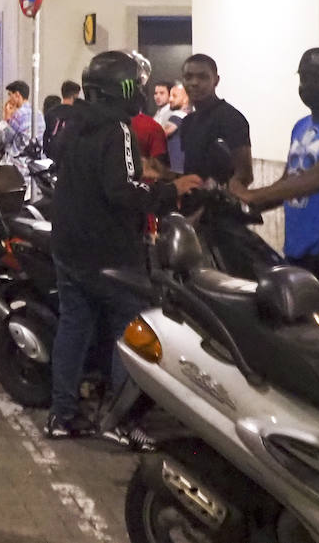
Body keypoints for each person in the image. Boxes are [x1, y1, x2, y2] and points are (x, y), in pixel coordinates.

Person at [46, 51, 202, 447]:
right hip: (108, 250)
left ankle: (61, 415)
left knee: (74, 325)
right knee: (130, 328)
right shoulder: (118, 129)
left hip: (68, 244)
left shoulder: (72, 122)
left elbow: (81, 172)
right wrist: (170, 191)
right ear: (126, 89)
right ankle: (118, 419)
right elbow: (122, 189)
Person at [231, 48, 319, 297]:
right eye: (304, 78)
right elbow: (289, 182)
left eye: (317, 78)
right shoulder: (301, 126)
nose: (308, 85)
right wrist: (241, 205)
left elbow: (316, 180)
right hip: (298, 250)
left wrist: (253, 196)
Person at [174, 54, 253, 186]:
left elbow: (245, 175)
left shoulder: (231, 119)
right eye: (188, 77)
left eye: (202, 77)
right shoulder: (188, 122)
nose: (194, 83)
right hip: (191, 204)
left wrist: (217, 195)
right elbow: (192, 173)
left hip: (221, 205)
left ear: (216, 81)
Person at [0, 80, 45, 194]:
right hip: (33, 164)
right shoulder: (39, 114)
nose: (9, 99)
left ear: (17, 95)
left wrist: (6, 119)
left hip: (18, 167)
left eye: (10, 95)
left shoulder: (18, 115)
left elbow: (3, 140)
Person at [42, 80, 80, 157]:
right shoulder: (78, 114)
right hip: (70, 155)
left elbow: (45, 136)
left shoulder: (51, 112)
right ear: (75, 96)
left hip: (53, 154)